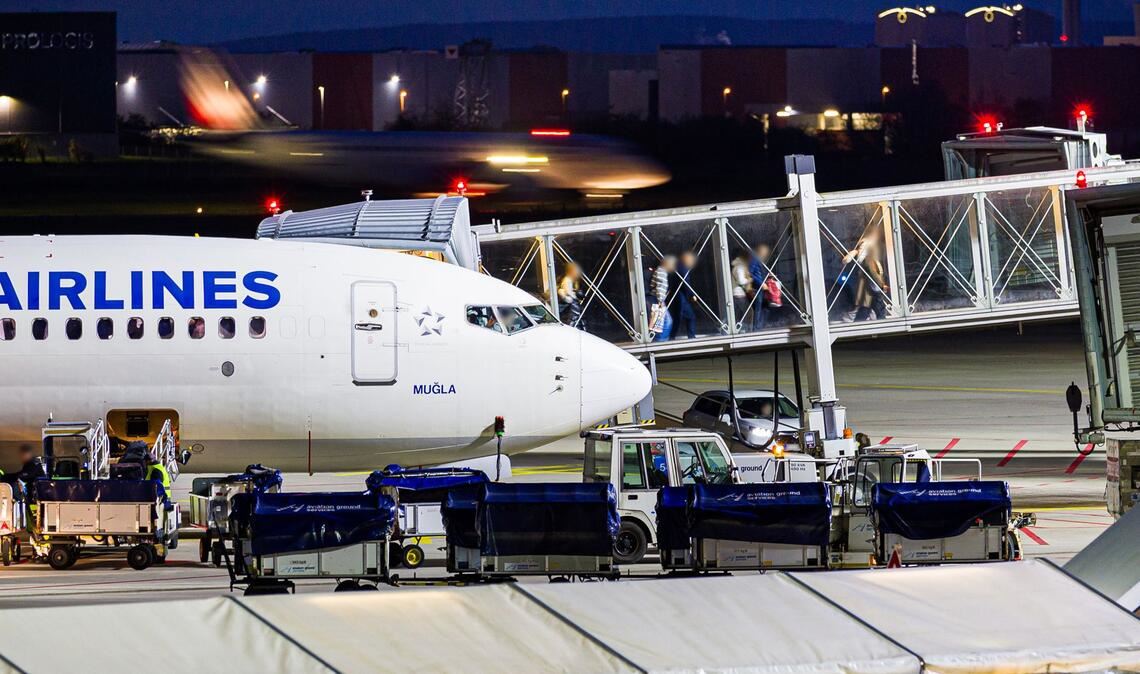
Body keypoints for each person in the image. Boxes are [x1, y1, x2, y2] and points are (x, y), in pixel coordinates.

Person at [844, 236, 890, 321]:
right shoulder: (868, 259)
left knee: (868, 310)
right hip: (871, 290)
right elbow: (873, 273)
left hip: (872, 290)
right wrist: (882, 285)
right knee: (874, 310)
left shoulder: (871, 259)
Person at [748, 244, 778, 330]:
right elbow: (751, 273)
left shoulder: (760, 260)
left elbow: (761, 273)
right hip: (758, 288)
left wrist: (769, 276)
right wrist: (761, 283)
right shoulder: (755, 260)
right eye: (764, 251)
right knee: (759, 308)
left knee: (765, 307)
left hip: (763, 287)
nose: (765, 253)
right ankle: (757, 328)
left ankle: (761, 325)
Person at [648, 256, 675, 342]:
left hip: (656, 299)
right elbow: (659, 287)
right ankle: (661, 341)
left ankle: (660, 340)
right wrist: (660, 300)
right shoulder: (661, 272)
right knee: (665, 321)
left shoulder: (660, 271)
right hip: (657, 300)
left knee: (661, 321)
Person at [672, 250, 698, 340]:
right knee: (689, 317)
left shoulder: (678, 266)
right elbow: (686, 283)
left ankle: (672, 337)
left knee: (678, 318)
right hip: (681, 297)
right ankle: (691, 337)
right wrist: (692, 295)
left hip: (678, 296)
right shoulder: (683, 268)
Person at [557, 262, 586, 330]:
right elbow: (567, 292)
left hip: (571, 308)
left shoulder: (572, 281)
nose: (577, 274)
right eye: (576, 272)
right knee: (572, 322)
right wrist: (575, 296)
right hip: (570, 309)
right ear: (571, 271)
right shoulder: (567, 280)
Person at [731, 251, 753, 329]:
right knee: (748, 312)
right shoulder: (740, 267)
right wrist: (749, 280)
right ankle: (746, 329)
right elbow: (740, 281)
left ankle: (739, 328)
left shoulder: (736, 266)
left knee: (737, 314)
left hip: (736, 293)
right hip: (739, 293)